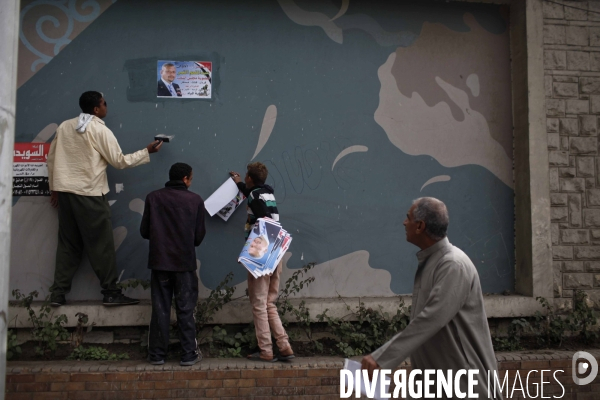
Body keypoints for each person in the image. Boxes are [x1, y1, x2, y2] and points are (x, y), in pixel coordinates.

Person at [361, 197, 502, 399]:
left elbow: (429, 320)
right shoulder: (432, 262)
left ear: (420, 226)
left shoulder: (453, 265)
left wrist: (382, 358)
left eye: (407, 218)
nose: (404, 223)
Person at [47, 91, 162, 307]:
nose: (106, 106)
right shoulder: (99, 128)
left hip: (65, 195)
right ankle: (110, 292)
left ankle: (57, 294)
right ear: (97, 109)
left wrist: (54, 189)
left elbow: (51, 159)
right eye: (104, 103)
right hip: (89, 194)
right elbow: (119, 161)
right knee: (101, 245)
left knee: (67, 244)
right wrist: (146, 152)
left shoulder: (64, 126)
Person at [141, 162, 206, 366]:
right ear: (186, 179)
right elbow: (198, 237)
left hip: (160, 263)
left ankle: (157, 354)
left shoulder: (153, 198)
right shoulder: (195, 200)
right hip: (184, 264)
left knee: (160, 308)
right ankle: (188, 354)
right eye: (191, 178)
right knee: (186, 309)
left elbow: (144, 232)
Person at [229, 163, 294, 362]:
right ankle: (284, 347)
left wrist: (252, 254)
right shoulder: (266, 193)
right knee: (269, 303)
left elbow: (263, 217)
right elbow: (253, 195)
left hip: (263, 251)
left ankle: (266, 350)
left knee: (258, 304)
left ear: (250, 178)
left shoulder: (255, 197)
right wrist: (238, 183)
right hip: (277, 250)